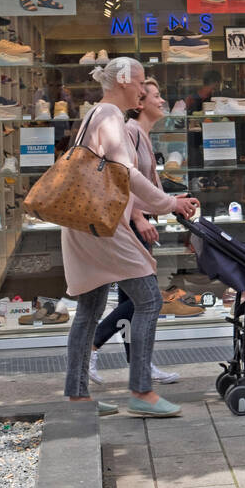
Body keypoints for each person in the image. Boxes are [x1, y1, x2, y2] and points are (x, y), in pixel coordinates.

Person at [62, 58, 199, 417]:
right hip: (102, 227)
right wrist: (168, 203)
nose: (143, 90)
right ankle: (141, 391)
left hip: (85, 222)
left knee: (89, 309)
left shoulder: (97, 115)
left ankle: (78, 399)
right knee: (149, 299)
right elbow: (126, 173)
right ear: (123, 81)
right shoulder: (110, 117)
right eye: (140, 83)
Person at [89, 78, 181, 386]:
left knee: (136, 298)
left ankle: (140, 365)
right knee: (145, 297)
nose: (161, 101)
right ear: (140, 103)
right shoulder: (130, 131)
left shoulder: (143, 134)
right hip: (130, 223)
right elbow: (121, 178)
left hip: (138, 222)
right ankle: (94, 345)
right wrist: (140, 216)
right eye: (156, 96)